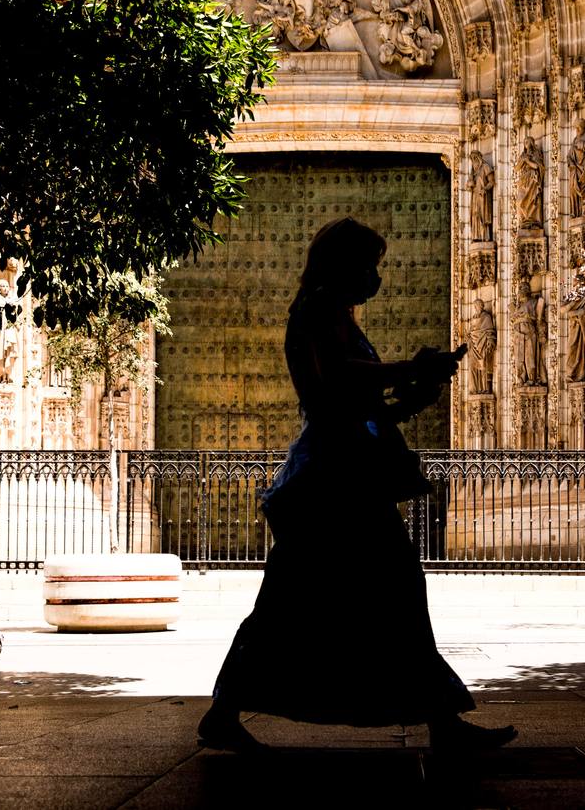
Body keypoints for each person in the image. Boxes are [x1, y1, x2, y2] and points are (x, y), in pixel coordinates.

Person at [198, 218, 517, 753]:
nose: (374, 275)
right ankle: (441, 724)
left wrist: (412, 395)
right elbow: (339, 380)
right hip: (332, 482)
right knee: (347, 595)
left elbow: (358, 399)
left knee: (335, 597)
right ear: (342, 263)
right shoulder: (316, 309)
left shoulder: (335, 313)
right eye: (368, 263)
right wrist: (407, 367)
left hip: (343, 475)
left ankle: (442, 722)